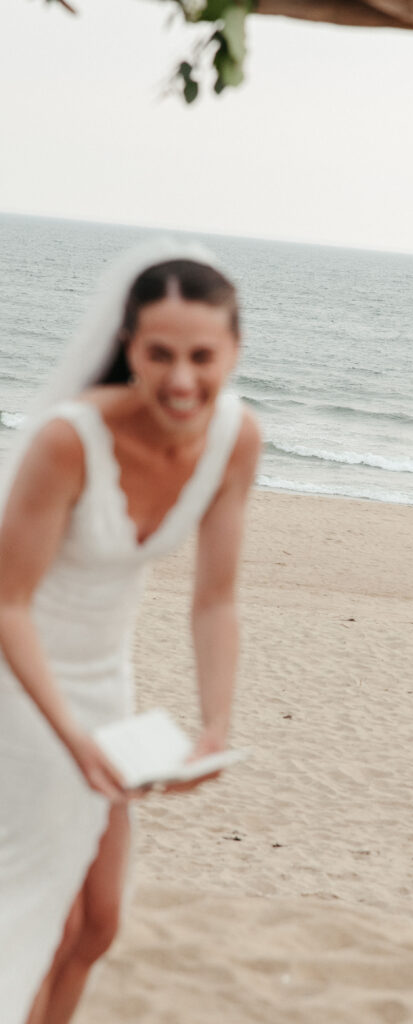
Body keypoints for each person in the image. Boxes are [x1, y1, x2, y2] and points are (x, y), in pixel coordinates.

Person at [0, 240, 261, 1024]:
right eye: (159, 354)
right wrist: (71, 738)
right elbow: (8, 604)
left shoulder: (236, 438)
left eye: (201, 356)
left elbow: (214, 599)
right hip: (21, 680)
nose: (181, 380)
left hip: (103, 681)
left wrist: (215, 727)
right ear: (129, 348)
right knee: (40, 911)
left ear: (234, 349)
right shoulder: (68, 439)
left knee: (100, 922)